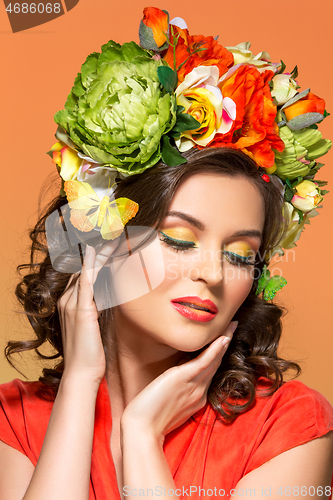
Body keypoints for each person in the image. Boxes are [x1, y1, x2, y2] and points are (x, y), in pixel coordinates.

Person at [0, 7, 333, 500]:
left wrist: (142, 438)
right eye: (179, 239)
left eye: (242, 253)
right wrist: (78, 386)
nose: (213, 273)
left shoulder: (290, 424)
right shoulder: (16, 420)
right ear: (101, 241)